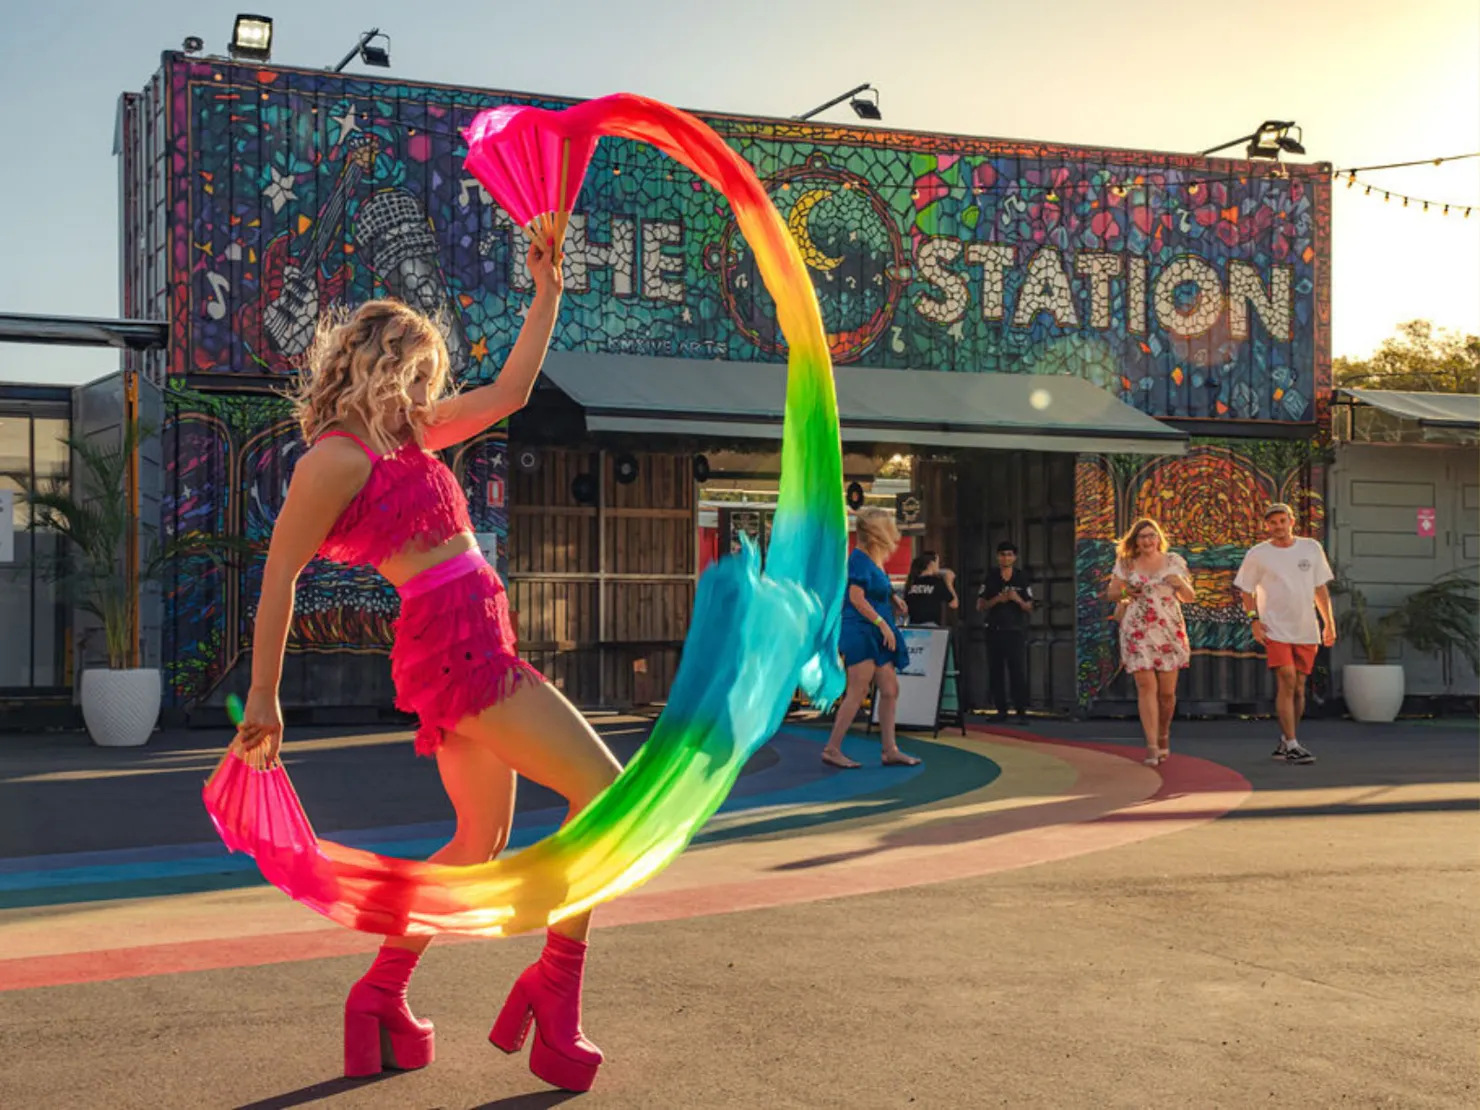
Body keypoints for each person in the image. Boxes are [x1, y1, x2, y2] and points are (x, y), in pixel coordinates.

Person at [232, 242, 623, 1093]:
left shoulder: (408, 435)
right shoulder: (336, 459)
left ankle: (381, 997)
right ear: (382, 365)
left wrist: (547, 288)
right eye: (418, 374)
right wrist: (263, 694)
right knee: (607, 791)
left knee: (475, 843)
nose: (426, 392)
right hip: (457, 645)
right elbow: (278, 580)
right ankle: (553, 996)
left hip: (476, 635)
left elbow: (512, 391)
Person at [820, 508, 922, 770]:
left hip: (878, 629)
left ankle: (890, 750)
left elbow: (876, 589)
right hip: (863, 630)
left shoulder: (874, 560)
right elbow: (856, 598)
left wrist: (893, 599)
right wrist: (881, 623)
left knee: (890, 690)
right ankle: (832, 749)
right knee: (859, 690)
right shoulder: (859, 560)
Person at [1234, 503, 1336, 764]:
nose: (1278, 526)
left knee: (1300, 687)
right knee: (1287, 678)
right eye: (1272, 522)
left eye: (1282, 520)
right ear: (1266, 526)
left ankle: (1287, 738)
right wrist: (1253, 620)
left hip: (1305, 628)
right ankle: (1292, 744)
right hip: (1274, 627)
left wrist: (1329, 623)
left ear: (1291, 521)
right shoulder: (1259, 554)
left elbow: (1320, 589)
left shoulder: (1311, 548)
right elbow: (1246, 590)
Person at [1106, 518, 1195, 764]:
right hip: (1137, 629)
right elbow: (1112, 592)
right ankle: (1152, 745)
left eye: (1151, 535)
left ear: (1159, 539)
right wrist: (1126, 592)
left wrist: (1180, 584)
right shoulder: (1126, 564)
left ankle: (1164, 733)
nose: (1147, 540)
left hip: (1168, 629)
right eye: (1142, 536)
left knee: (1167, 694)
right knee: (1146, 686)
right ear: (1135, 541)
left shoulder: (1174, 562)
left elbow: (1190, 597)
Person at [976, 541, 1033, 720]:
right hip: (994, 630)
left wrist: (1016, 599)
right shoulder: (991, 577)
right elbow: (980, 605)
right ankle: (1001, 710)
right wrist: (997, 599)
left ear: (1014, 557)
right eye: (1002, 554)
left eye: (1009, 554)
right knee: (996, 670)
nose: (1006, 558)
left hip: (1015, 630)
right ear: (997, 557)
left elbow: (1030, 606)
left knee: (1017, 671)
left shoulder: (1021, 577)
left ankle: (1021, 710)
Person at [904, 551, 958, 627]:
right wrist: (948, 582)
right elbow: (954, 603)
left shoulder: (912, 581)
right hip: (931, 626)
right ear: (931, 564)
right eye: (937, 563)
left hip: (913, 625)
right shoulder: (936, 582)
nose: (938, 567)